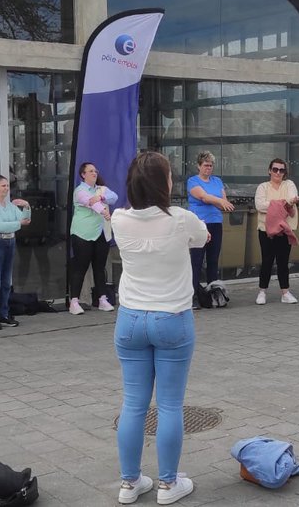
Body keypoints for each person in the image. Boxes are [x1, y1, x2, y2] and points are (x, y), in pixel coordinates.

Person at [110, 151, 207, 505]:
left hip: (130, 320)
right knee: (169, 406)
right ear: (162, 183)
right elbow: (202, 238)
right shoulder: (181, 219)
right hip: (172, 320)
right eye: (168, 175)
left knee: (134, 404)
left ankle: (129, 482)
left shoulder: (119, 219)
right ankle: (167, 484)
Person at [0, 173, 31, 331]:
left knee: (6, 282)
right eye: (3, 186)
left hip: (10, 241)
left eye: (7, 186)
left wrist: (26, 206)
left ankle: (4, 314)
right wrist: (18, 223)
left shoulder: (9, 205)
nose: (6, 188)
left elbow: (26, 220)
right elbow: (0, 226)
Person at [186, 151, 234, 307]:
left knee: (213, 260)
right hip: (199, 224)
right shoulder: (193, 181)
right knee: (196, 261)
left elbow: (224, 202)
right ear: (199, 166)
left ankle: (215, 296)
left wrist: (219, 201)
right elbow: (203, 197)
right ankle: (193, 296)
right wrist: (218, 201)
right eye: (206, 165)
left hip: (215, 223)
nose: (208, 168)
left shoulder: (217, 181)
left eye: (211, 166)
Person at [69, 162, 117, 315]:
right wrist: (103, 211)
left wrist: (101, 197)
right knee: (80, 267)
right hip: (82, 233)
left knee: (99, 267)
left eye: (95, 171)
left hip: (100, 233)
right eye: (90, 171)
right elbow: (90, 202)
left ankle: (102, 299)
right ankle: (74, 302)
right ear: (83, 175)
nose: (94, 173)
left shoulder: (101, 189)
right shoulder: (80, 191)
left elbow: (113, 197)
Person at [254, 158, 299, 305]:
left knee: (283, 261)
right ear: (270, 171)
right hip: (266, 229)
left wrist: (275, 205)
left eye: (281, 170)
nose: (278, 173)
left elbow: (291, 199)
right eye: (275, 169)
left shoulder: (289, 184)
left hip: (285, 229)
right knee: (267, 261)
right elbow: (259, 205)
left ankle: (285, 292)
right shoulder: (262, 187)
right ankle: (262, 291)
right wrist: (283, 204)